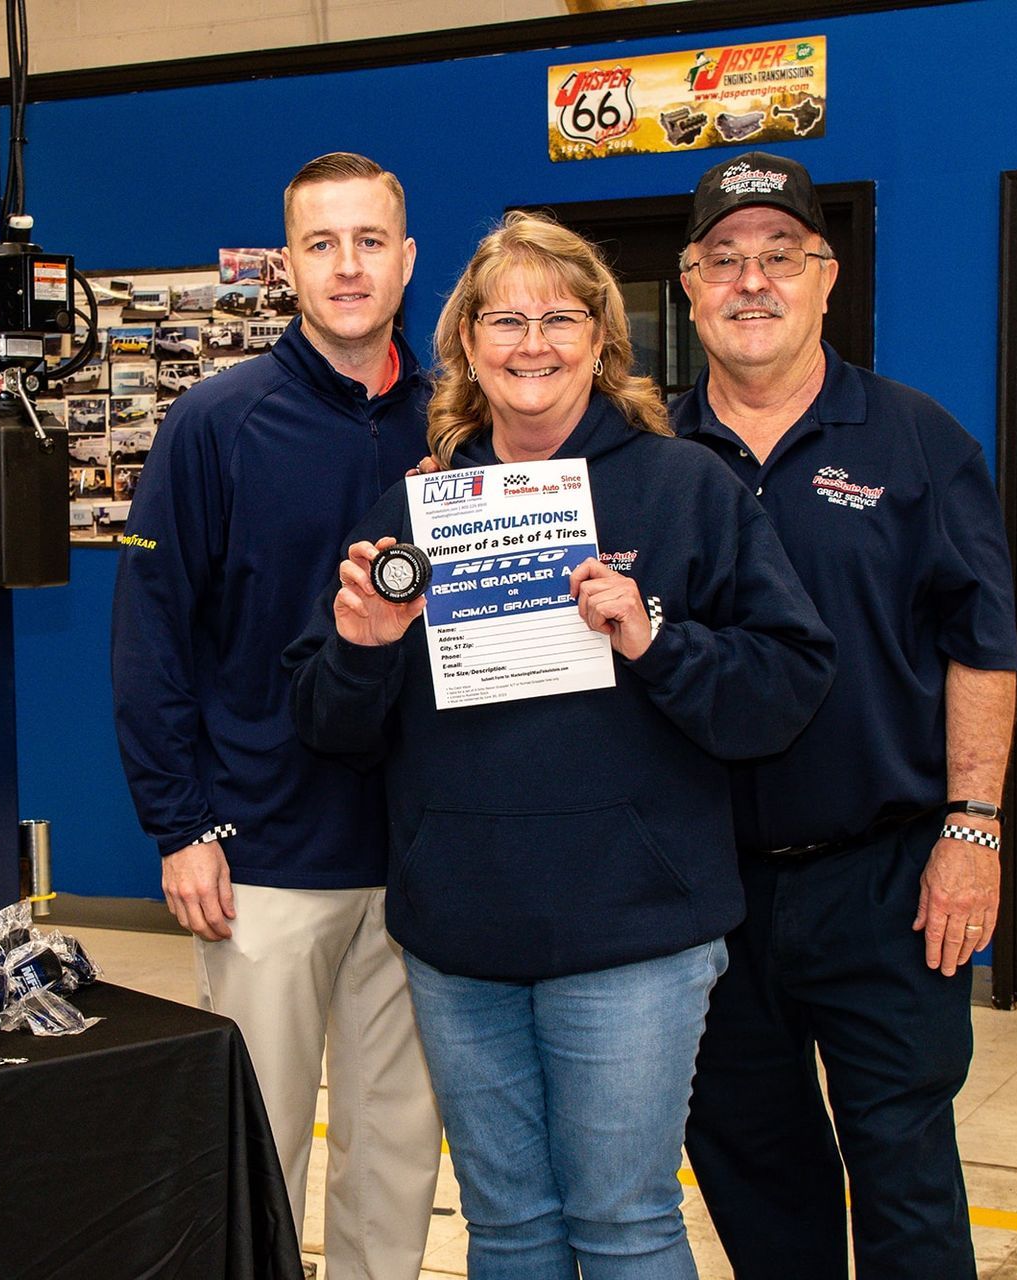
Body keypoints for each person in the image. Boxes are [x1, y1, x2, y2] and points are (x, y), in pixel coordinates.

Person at [286, 211, 835, 1279]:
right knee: (509, 1227)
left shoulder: (686, 490)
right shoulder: (418, 507)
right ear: (467, 345)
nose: (531, 342)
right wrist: (361, 647)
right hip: (461, 935)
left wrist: (652, 635)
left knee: (623, 1221)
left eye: (558, 317)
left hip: (632, 932)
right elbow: (330, 724)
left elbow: (787, 685)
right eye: (504, 319)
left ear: (600, 337)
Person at [671, 151, 1017, 1280]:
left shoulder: (917, 441)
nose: (753, 281)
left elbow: (985, 645)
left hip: (887, 880)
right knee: (758, 1183)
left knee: (906, 1176)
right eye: (725, 259)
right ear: (688, 283)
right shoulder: (646, 457)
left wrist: (973, 828)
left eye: (782, 256)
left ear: (828, 277)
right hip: (705, 898)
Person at [109, 152, 442, 1279]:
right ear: (286, 263)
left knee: (396, 1156)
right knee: (256, 1152)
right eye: (321, 243)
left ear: (406, 257)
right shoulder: (216, 421)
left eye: (369, 241)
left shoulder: (461, 425)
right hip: (262, 854)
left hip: (420, 852)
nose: (347, 265)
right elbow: (150, 629)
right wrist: (177, 823)